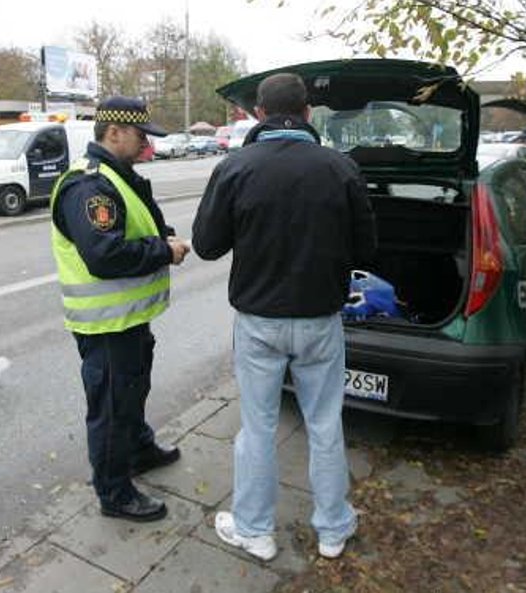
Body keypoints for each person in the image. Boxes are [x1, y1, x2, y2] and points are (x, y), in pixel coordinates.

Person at [192, 73, 377, 560]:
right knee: (324, 424)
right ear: (308, 114)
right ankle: (334, 529)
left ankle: (255, 530)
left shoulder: (235, 167)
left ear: (258, 114)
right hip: (320, 320)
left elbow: (207, 245)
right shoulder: (340, 168)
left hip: (259, 322)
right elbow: (367, 247)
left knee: (258, 427)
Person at [49, 96, 191, 521]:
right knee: (111, 406)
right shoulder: (90, 185)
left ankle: (139, 449)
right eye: (141, 135)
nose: (147, 144)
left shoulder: (117, 176)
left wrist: (161, 235)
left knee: (132, 391)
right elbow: (104, 255)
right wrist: (163, 250)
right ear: (115, 132)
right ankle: (114, 492)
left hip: (128, 319)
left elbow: (132, 224)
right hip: (106, 326)